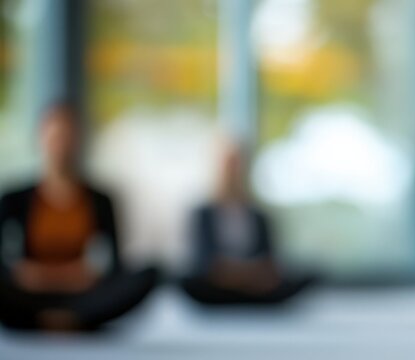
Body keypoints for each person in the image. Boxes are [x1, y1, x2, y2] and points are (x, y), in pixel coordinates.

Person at [0, 101, 157, 331]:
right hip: (30, 293)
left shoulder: (99, 200)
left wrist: (88, 275)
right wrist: (27, 274)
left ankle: (61, 318)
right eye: (55, 137)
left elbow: (116, 264)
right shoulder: (15, 199)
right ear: (41, 139)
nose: (61, 147)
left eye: (67, 137)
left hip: (81, 294)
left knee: (149, 274)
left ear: (78, 141)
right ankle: (64, 320)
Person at [180, 141, 311, 305]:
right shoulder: (203, 214)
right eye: (229, 165)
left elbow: (270, 259)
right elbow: (203, 260)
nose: (234, 172)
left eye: (238, 165)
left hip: (256, 280)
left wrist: (250, 274)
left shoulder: (259, 216)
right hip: (218, 283)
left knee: (302, 276)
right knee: (189, 282)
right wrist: (233, 274)